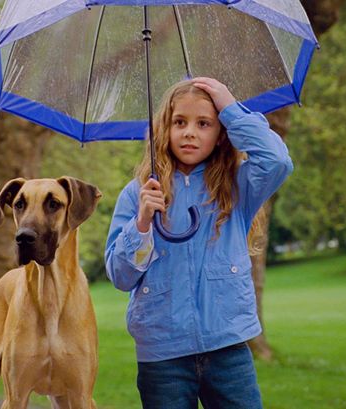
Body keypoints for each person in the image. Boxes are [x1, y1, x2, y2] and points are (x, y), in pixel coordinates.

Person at [104, 77, 293, 409]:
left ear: (220, 135)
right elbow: (121, 277)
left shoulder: (238, 186)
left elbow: (277, 161)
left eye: (203, 123)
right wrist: (142, 222)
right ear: (165, 128)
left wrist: (229, 107)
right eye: (180, 122)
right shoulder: (138, 193)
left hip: (228, 347)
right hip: (162, 355)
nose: (189, 132)